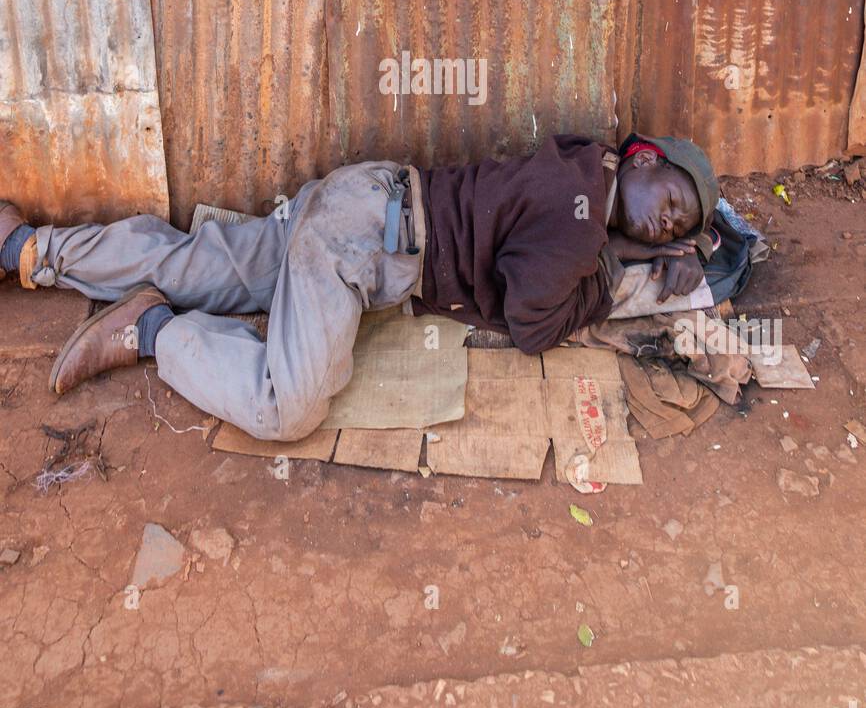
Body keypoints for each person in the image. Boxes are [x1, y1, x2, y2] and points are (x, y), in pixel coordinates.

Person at [0, 132, 718, 442]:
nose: (664, 225)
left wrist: (621, 242)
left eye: (673, 228)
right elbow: (535, 324)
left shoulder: (584, 166)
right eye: (672, 203)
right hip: (362, 246)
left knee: (200, 264)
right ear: (645, 157)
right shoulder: (581, 221)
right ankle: (152, 329)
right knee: (287, 407)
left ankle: (24, 247)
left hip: (362, 202)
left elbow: (558, 236)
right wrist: (615, 268)